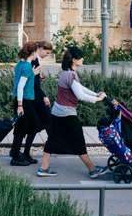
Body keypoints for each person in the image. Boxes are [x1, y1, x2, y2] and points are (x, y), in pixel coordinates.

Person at [36, 46, 106, 178]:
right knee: (78, 140)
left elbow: (80, 88)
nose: (83, 59)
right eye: (81, 57)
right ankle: (92, 169)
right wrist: (97, 100)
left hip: (57, 111)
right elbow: (80, 95)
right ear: (74, 60)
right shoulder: (71, 75)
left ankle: (43, 168)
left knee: (52, 139)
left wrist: (95, 94)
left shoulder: (65, 72)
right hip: (67, 113)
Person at [10, 41, 42, 166]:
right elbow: (20, 86)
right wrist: (20, 105)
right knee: (29, 126)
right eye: (36, 53)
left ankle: (17, 154)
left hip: (23, 100)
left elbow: (23, 79)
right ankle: (16, 157)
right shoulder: (27, 67)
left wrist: (33, 74)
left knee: (22, 128)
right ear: (32, 53)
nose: (36, 55)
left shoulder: (20, 64)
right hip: (24, 101)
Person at [22, 41, 53, 164]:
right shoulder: (34, 61)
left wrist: (39, 77)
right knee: (47, 122)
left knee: (40, 125)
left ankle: (27, 152)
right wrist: (44, 96)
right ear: (39, 48)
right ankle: (54, 147)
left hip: (34, 96)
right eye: (47, 52)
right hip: (35, 98)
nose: (47, 54)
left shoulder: (35, 61)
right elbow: (33, 83)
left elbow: (34, 80)